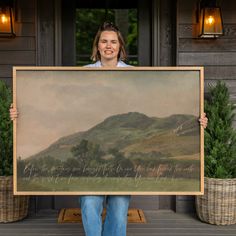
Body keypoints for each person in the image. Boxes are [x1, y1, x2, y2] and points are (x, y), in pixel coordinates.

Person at [10, 22, 208, 236]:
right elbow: (52, 107)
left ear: (120, 47)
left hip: (120, 159)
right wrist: (19, 115)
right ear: (97, 46)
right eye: (104, 41)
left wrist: (197, 121)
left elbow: (169, 103)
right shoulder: (80, 75)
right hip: (90, 156)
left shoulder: (135, 74)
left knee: (119, 206)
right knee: (88, 203)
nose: (108, 46)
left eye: (113, 42)